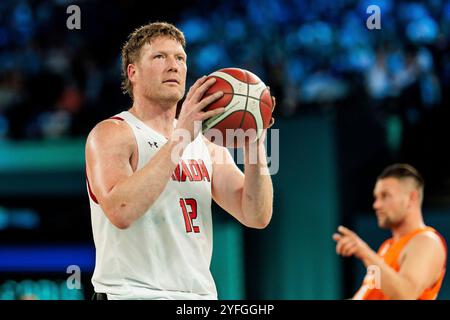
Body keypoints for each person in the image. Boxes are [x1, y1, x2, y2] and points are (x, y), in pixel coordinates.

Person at [85, 22, 275, 300]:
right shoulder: (112, 133)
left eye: (180, 58)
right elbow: (121, 211)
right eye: (159, 57)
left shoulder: (206, 143)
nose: (173, 65)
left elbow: (256, 215)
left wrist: (254, 144)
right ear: (132, 72)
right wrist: (180, 138)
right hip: (131, 294)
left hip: (197, 297)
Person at [333, 164, 447, 300]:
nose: (376, 205)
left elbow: (406, 295)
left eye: (385, 196)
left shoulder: (426, 241)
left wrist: (364, 252)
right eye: (376, 197)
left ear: (412, 198)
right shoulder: (386, 247)